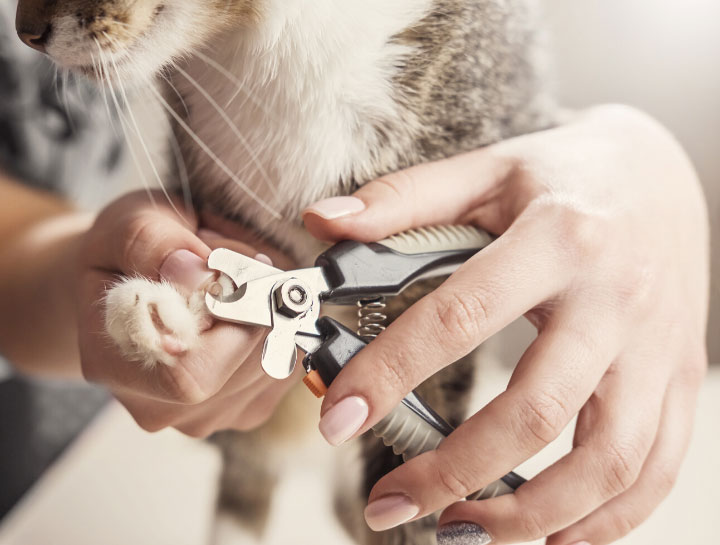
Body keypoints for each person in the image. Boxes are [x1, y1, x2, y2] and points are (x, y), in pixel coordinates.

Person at [0, 6, 709, 545]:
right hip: (44, 461)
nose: (26, 23)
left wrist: (640, 162)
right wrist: (82, 287)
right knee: (271, 469)